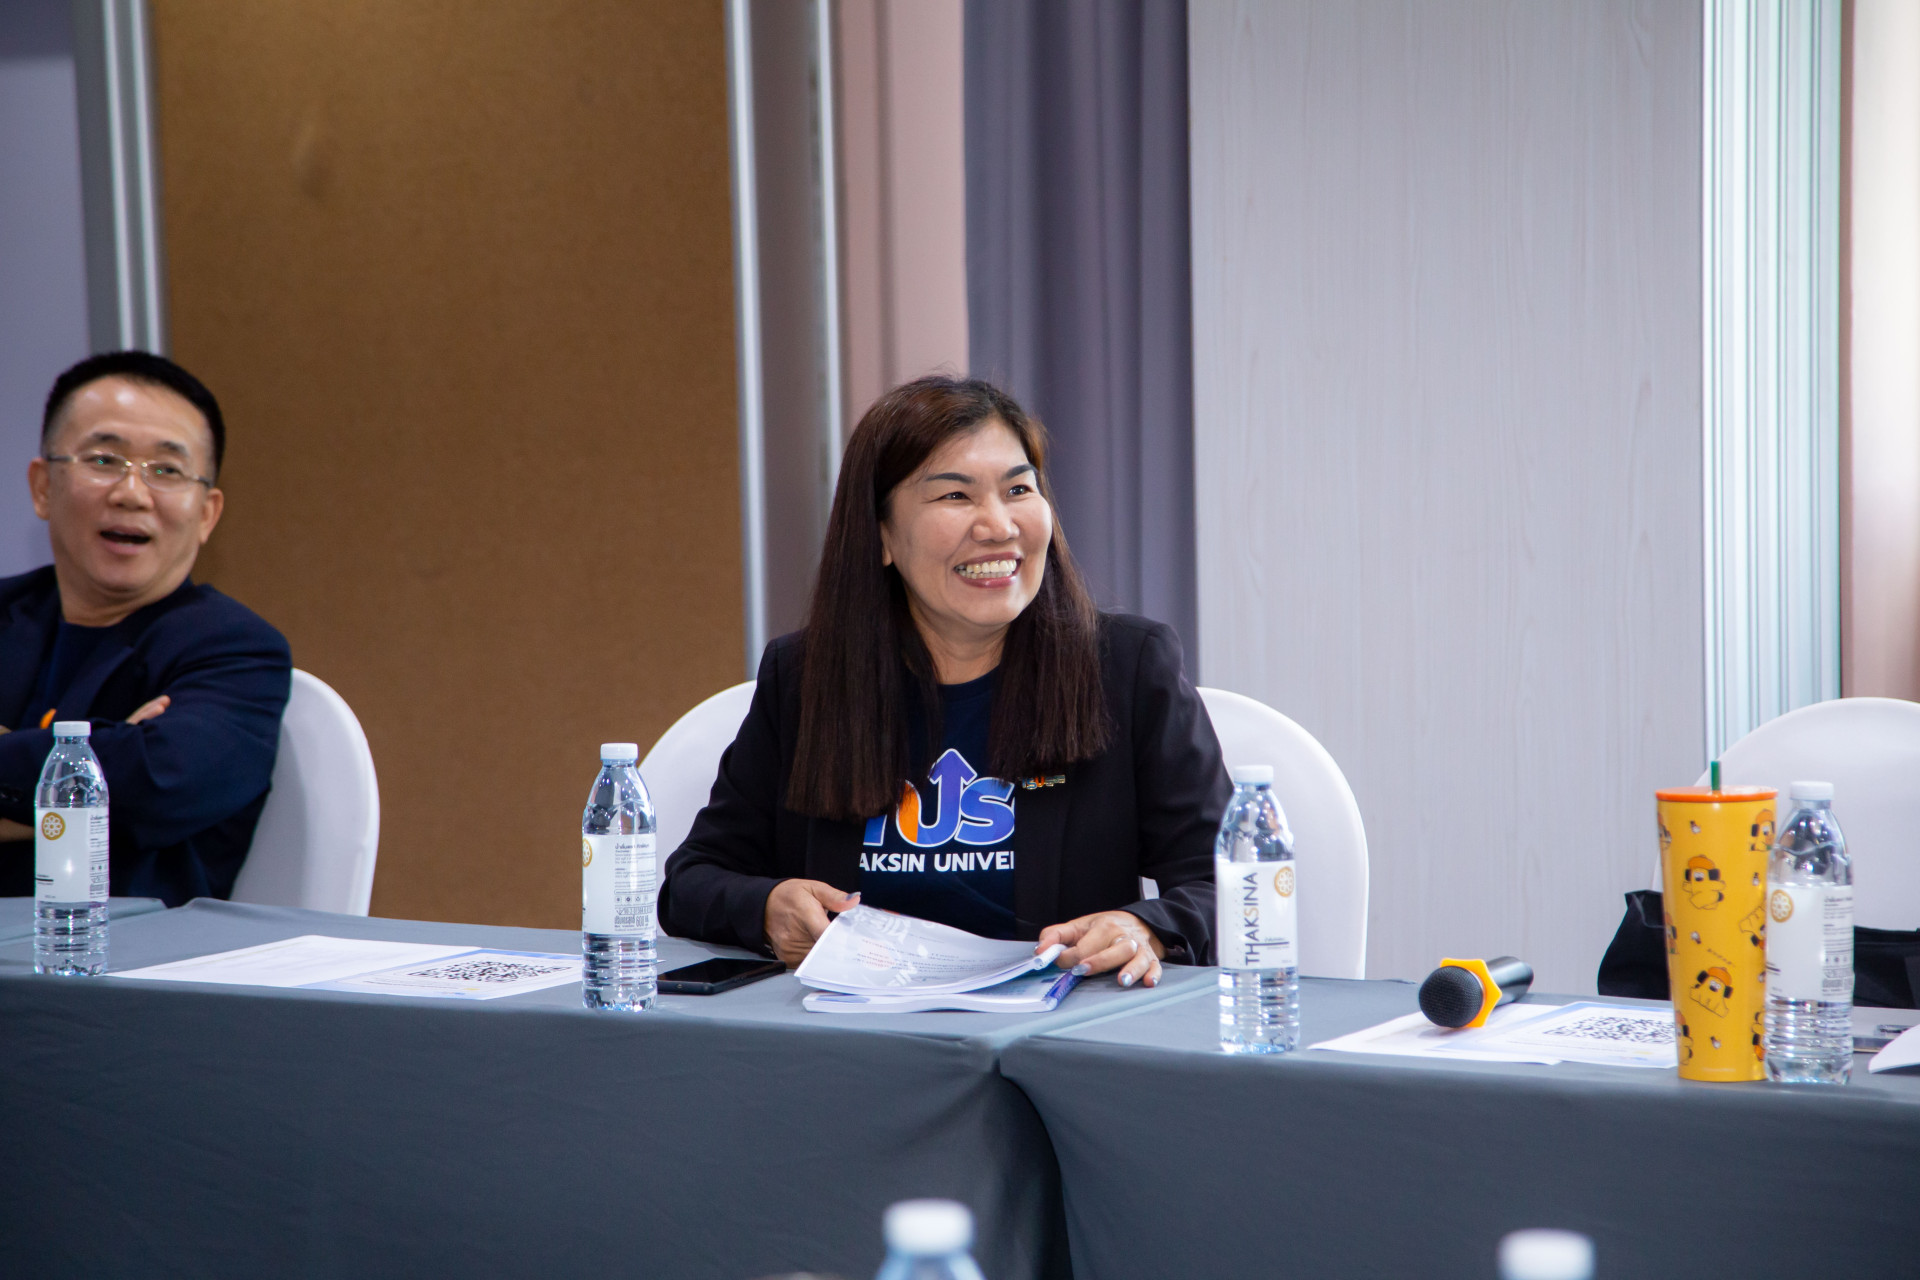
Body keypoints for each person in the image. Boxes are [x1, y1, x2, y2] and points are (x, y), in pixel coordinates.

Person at [660, 376, 1229, 987]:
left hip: (1057, 1026)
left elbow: (1232, 880)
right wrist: (767, 907)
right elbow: (693, 881)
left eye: (1018, 489)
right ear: (881, 534)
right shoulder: (804, 679)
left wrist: (1145, 926)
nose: (999, 526)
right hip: (854, 1028)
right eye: (956, 496)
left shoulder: (1127, 669)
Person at [0, 351, 291, 905]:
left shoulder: (237, 651)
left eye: (167, 470)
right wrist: (106, 755)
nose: (132, 493)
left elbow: (157, 784)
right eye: (104, 460)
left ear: (206, 514)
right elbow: (115, 788)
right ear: (42, 487)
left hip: (116, 951)